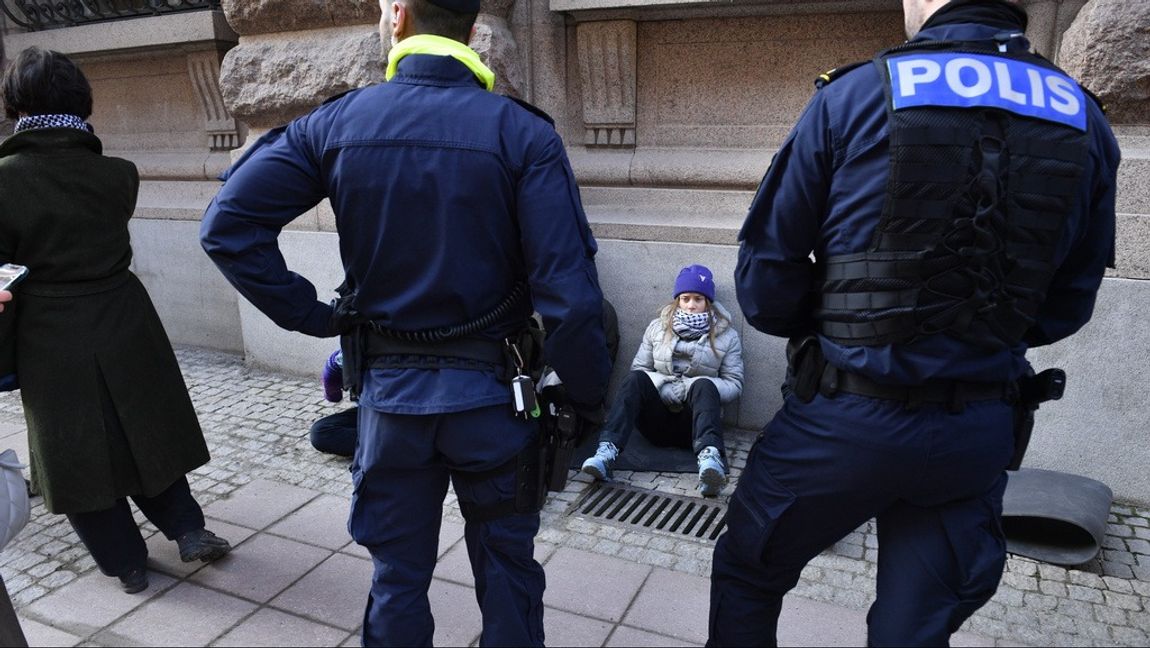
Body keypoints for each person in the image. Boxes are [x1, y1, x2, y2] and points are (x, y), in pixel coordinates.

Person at [199, 0, 611, 644]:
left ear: (396, 17)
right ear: (473, 29)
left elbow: (227, 226)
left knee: (396, 577)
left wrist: (315, 317)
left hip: (391, 405)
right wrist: (587, 397)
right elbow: (572, 295)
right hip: (495, 404)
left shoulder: (335, 123)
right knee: (508, 570)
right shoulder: (522, 133)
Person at [711, 0, 1120, 644]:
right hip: (976, 428)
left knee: (748, 573)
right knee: (914, 629)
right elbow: (1069, 301)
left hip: (843, 420)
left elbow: (766, 283)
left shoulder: (855, 95)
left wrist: (844, 326)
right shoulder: (1084, 116)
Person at [0, 47, 231, 595]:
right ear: (82, 100)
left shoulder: (4, 181)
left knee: (73, 448)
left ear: (13, 105)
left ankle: (126, 564)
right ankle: (188, 527)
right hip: (124, 315)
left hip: (48, 329)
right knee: (147, 425)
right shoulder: (118, 174)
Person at [581, 264, 743, 497]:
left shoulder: (727, 336)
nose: (691, 304)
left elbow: (735, 383)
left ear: (708, 301)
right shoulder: (657, 327)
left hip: (696, 424)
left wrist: (689, 386)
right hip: (656, 422)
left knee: (705, 384)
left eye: (698, 298)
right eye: (685, 298)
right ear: (677, 300)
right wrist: (663, 386)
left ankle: (710, 462)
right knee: (634, 379)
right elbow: (640, 368)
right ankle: (606, 453)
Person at [310, 350, 358, 457]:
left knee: (320, 433)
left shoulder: (347, 353)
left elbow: (332, 393)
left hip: (384, 414)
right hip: (377, 414)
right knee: (320, 432)